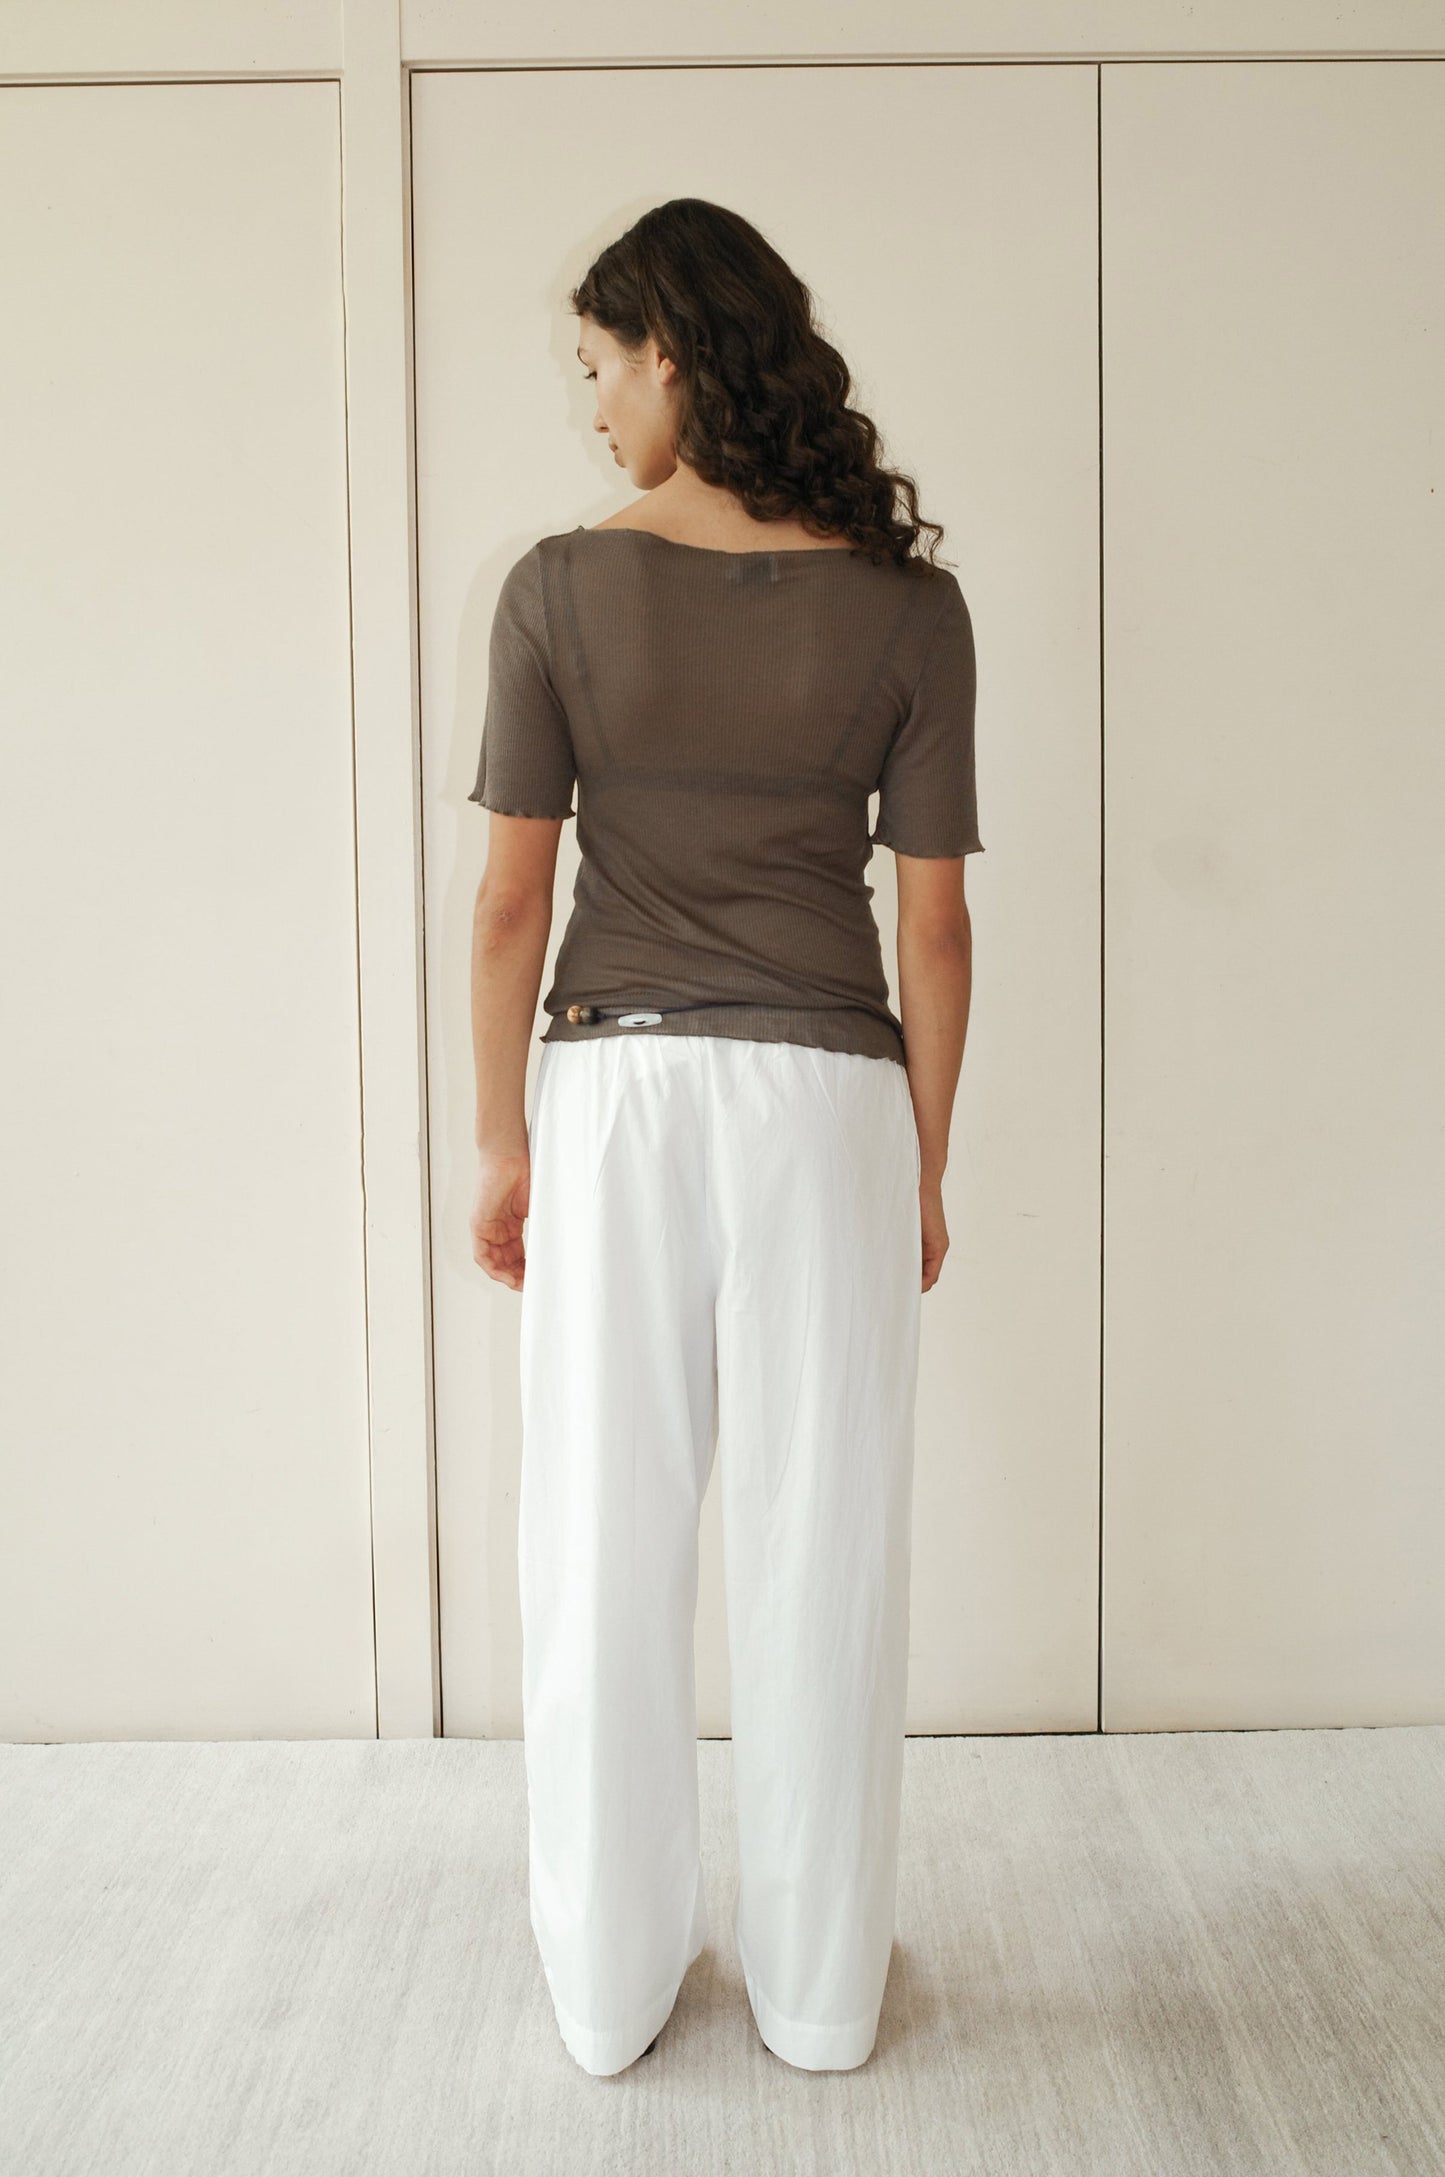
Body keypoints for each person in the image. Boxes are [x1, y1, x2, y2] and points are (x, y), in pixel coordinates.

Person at [467, 198, 982, 2078]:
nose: (593, 410)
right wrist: (918, 1160)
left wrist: (502, 1141)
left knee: (598, 1536)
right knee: (823, 1531)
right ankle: (823, 1997)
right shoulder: (911, 606)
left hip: (612, 1087)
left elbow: (512, 904)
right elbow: (930, 926)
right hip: (829, 1095)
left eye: (599, 368)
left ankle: (608, 1995)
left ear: (669, 352)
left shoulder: (556, 589)